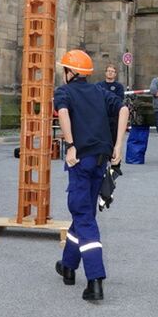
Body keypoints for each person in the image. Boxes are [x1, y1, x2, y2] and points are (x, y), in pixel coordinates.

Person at [53, 49, 129, 302]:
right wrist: (118, 146)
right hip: (101, 160)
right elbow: (124, 110)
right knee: (84, 212)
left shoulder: (64, 92)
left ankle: (95, 279)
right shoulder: (100, 91)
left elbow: (63, 114)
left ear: (70, 72)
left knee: (84, 217)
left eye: (65, 69)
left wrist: (71, 144)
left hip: (81, 160)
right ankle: (68, 266)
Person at [95, 63, 125, 149]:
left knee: (113, 139)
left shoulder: (119, 86)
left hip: (113, 117)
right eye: (108, 71)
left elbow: (119, 100)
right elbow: (96, 99)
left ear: (115, 74)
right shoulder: (99, 85)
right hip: (101, 116)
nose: (110, 73)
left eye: (112, 71)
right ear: (105, 72)